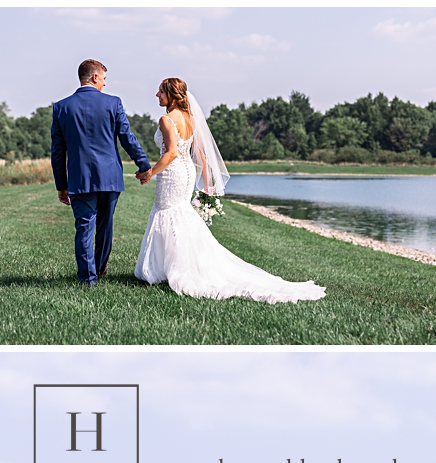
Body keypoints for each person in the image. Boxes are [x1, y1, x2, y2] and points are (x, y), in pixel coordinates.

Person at [133, 77, 326, 302]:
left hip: (172, 172)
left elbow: (171, 153)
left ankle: (168, 269)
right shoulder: (190, 119)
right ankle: (176, 264)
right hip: (187, 172)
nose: (157, 95)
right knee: (179, 213)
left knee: (167, 211)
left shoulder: (166, 119)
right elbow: (201, 155)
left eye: (160, 92)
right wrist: (207, 184)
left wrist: (149, 173)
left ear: (172, 94)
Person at [49, 59, 152, 286]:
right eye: (104, 79)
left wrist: (61, 185)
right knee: (106, 226)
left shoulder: (61, 107)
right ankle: (99, 267)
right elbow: (127, 138)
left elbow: (57, 152)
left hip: (80, 178)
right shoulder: (113, 103)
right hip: (110, 177)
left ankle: (88, 277)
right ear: (94, 77)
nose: (105, 84)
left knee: (84, 226)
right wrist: (143, 164)